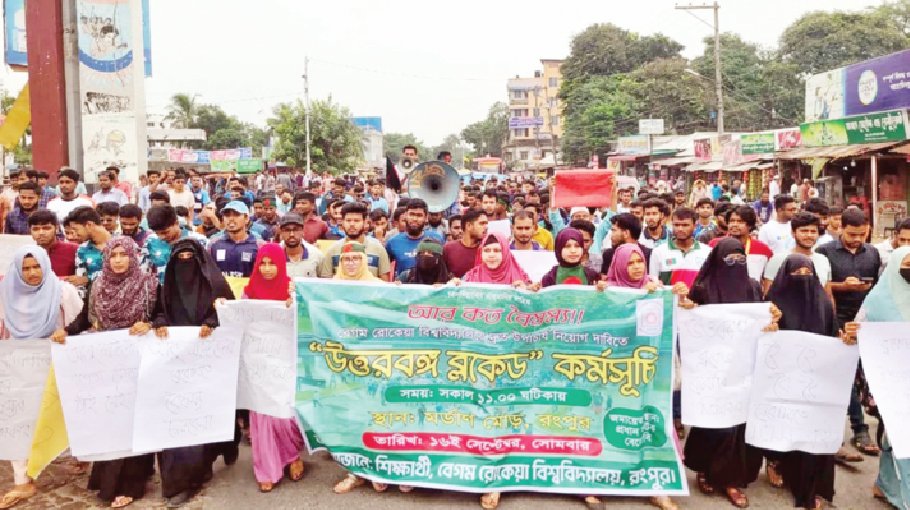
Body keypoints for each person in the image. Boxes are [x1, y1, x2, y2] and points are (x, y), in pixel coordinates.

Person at [51, 237, 157, 509]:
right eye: (113, 255)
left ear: (134, 256)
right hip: (108, 362)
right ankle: (106, 477)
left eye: (124, 255)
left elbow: (163, 315)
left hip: (139, 362)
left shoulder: (149, 285)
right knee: (110, 419)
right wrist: (68, 332)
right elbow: (86, 317)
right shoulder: (98, 285)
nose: (118, 260)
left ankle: (132, 483)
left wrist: (150, 325)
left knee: (133, 422)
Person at [679, 237, 765, 509]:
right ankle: (705, 469)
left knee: (738, 424)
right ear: (717, 260)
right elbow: (691, 324)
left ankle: (731, 480)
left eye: (741, 258)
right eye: (729, 259)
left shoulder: (752, 287)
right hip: (711, 366)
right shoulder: (703, 288)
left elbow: (759, 319)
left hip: (743, 365)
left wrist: (770, 321)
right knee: (713, 422)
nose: (735, 264)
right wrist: (688, 307)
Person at [150, 239, 236, 507]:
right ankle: (178, 482)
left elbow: (231, 313)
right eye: (180, 257)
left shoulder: (217, 285)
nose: (185, 261)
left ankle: (200, 469)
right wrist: (161, 322)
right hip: (175, 365)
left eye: (190, 256)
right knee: (177, 423)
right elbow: (158, 312)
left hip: (208, 365)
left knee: (203, 421)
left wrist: (213, 320)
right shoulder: (166, 287)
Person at [0, 246, 82, 509]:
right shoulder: (5, 294)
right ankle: (22, 479)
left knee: (68, 412)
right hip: (18, 367)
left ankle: (82, 455)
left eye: (37, 266)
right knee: (18, 419)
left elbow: (81, 324)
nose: (33, 273)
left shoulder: (62, 292)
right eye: (25, 268)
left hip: (56, 363)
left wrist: (65, 333)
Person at [763, 254, 843, 510]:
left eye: (807, 274)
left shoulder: (823, 303)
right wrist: (769, 327)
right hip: (782, 380)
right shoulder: (772, 304)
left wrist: (848, 339)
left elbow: (834, 337)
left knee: (810, 434)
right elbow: (762, 343)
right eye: (796, 274)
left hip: (814, 380)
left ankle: (810, 487)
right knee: (783, 427)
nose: (802, 279)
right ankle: (775, 461)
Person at [844, 246, 910, 510]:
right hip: (893, 381)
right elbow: (857, 334)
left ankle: (885, 485)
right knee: (902, 436)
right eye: (906, 263)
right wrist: (851, 334)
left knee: (895, 438)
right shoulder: (877, 301)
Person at [239, 244, 306, 492]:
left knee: (285, 417)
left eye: (272, 263)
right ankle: (267, 467)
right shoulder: (249, 293)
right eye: (263, 264)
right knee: (263, 416)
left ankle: (292, 455)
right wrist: (225, 306)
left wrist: (295, 305)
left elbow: (306, 321)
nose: (267, 269)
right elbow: (238, 320)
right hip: (259, 362)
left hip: (286, 362)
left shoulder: (292, 290)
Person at [816, 208, 881, 457]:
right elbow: (820, 285)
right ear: (840, 228)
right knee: (843, 375)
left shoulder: (872, 253)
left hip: (864, 318)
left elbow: (876, 285)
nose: (857, 239)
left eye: (862, 234)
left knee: (865, 374)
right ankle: (858, 428)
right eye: (852, 234)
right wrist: (841, 286)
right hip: (836, 318)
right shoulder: (825, 252)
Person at [762, 213, 832, 296]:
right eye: (804, 231)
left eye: (813, 232)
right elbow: (768, 294)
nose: (809, 235)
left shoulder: (823, 260)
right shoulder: (778, 259)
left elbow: (828, 296)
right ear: (793, 233)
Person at [318, 202, 390, 279]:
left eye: (356, 221)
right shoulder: (333, 250)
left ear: (365, 222)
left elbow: (384, 284)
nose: (352, 224)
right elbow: (326, 283)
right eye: (348, 220)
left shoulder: (378, 249)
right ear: (342, 222)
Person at [142, 205, 210, 284]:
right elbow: (144, 271)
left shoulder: (199, 241)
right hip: (163, 292)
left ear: (176, 223)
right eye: (157, 233)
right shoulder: (150, 241)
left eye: (165, 232)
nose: (161, 237)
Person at [649, 207, 710, 288]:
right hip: (669, 300)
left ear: (695, 226)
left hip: (696, 300)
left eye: (685, 225)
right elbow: (653, 282)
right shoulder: (658, 252)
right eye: (676, 225)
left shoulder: (707, 252)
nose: (680, 229)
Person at [386, 199, 444, 279]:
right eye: (412, 214)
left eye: (419, 215)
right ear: (406, 215)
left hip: (430, 289)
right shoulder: (393, 242)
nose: (415, 219)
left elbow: (443, 268)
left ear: (426, 218)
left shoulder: (436, 239)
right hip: (404, 289)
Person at [208, 201, 263, 278]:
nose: (231, 219)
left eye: (236, 215)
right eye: (227, 215)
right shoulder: (213, 244)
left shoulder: (259, 245)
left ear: (246, 218)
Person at [459, 233, 531, 288]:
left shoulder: (520, 278)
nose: (491, 255)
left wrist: (525, 291)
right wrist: (455, 285)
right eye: (487, 250)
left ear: (505, 253)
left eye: (496, 251)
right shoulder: (471, 277)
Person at [27, 209, 78, 278]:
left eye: (46, 228)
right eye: (36, 229)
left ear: (57, 228)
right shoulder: (27, 254)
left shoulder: (75, 250)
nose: (41, 233)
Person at [443, 209, 488, 278]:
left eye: (486, 223)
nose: (486, 227)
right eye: (481, 223)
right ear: (468, 225)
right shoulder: (449, 248)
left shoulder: (488, 249)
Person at [278, 213, 324, 278]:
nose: (292, 234)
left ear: (303, 231)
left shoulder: (316, 255)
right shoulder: (273, 255)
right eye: (287, 230)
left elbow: (324, 283)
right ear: (281, 232)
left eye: (296, 229)